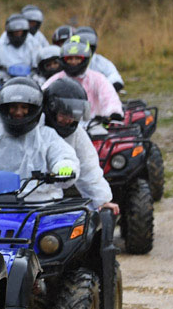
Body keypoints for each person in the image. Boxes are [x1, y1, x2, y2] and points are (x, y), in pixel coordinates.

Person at [0, 77, 79, 202]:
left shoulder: (46, 135)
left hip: (38, 204)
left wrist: (64, 167)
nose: (19, 112)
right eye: (14, 106)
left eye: (24, 107)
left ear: (35, 108)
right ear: (4, 107)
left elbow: (62, 154)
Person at [42, 79, 118, 216]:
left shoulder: (76, 133)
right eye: (64, 114)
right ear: (51, 108)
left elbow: (89, 167)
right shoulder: (34, 128)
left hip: (51, 200)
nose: (69, 120)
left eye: (74, 115)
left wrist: (101, 200)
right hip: (20, 198)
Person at [44, 37, 123, 128]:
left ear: (85, 59)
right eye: (69, 58)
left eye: (78, 58)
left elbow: (110, 99)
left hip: (94, 127)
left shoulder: (98, 79)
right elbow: (42, 96)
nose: (73, 62)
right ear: (63, 59)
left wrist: (113, 113)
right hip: (62, 128)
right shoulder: (55, 80)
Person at [74, 26, 124, 92]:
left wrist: (102, 87)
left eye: (90, 40)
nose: (86, 45)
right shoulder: (68, 61)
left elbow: (115, 77)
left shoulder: (101, 62)